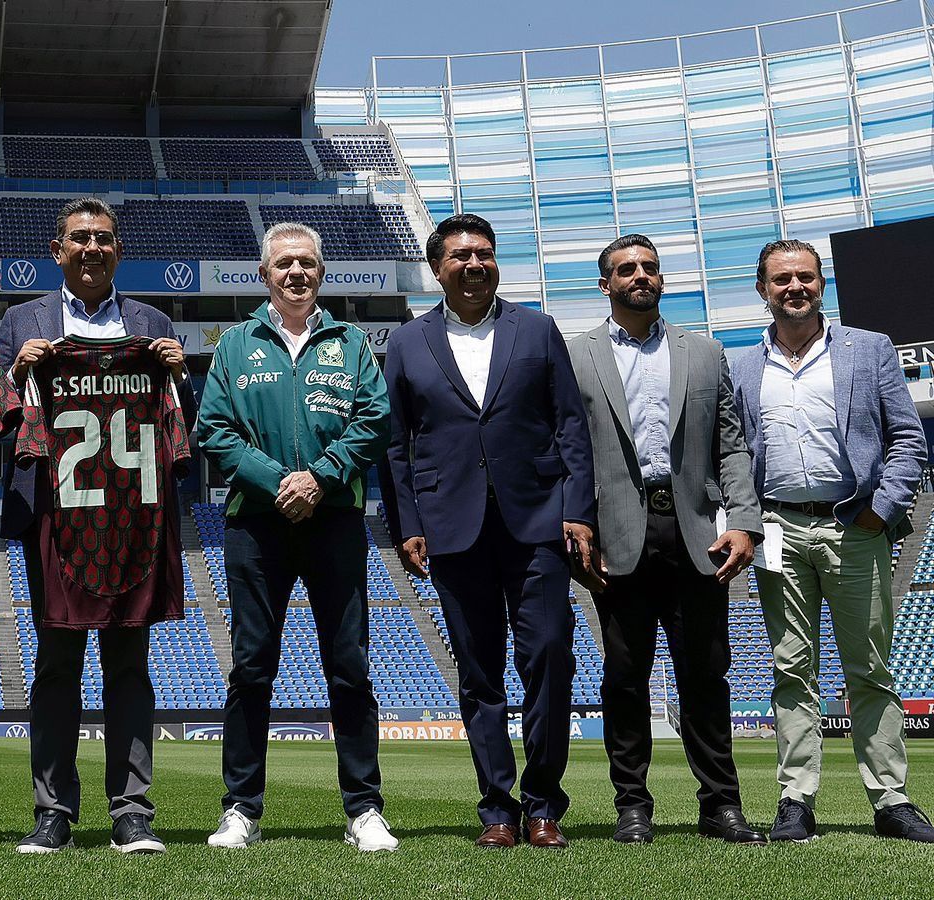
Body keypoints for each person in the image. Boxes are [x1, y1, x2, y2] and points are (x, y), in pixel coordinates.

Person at [383, 213, 597, 849]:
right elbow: (397, 445)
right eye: (459, 257)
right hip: (452, 526)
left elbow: (570, 426)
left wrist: (577, 508)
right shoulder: (406, 342)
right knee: (479, 673)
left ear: (496, 260)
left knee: (551, 655)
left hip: (537, 523)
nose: (473, 265)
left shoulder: (536, 328)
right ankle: (499, 808)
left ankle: (543, 804)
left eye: (484, 254)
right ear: (437, 268)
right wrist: (408, 524)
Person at [0, 197, 191, 855]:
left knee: (129, 663)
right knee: (56, 664)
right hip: (55, 515)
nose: (92, 248)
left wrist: (177, 374)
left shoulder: (151, 322)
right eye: (80, 238)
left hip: (133, 517)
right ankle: (53, 810)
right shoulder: (21, 320)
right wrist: (17, 372)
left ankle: (131, 812)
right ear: (58, 250)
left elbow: (174, 422)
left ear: (117, 250)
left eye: (104, 239)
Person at [195, 222, 396, 852]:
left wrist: (322, 478)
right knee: (253, 667)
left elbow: (375, 419)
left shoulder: (352, 342)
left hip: (335, 517)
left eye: (307, 263)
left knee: (349, 666)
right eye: (284, 264)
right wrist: (282, 482)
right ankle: (240, 808)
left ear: (321, 273)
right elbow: (214, 430)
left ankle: (364, 808)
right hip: (256, 522)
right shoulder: (234, 344)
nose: (296, 273)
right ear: (265, 275)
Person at [731, 238, 933, 843]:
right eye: (782, 279)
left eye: (806, 278)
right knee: (791, 667)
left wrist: (882, 509)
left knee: (869, 668)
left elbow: (907, 437)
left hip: (854, 526)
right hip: (777, 527)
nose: (795, 288)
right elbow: (736, 453)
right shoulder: (740, 365)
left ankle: (891, 799)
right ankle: (796, 799)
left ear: (822, 285)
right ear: (763, 290)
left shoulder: (866, 349)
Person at [568, 234, 765, 845]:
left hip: (696, 532)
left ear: (662, 278)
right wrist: (572, 524)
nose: (640, 276)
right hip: (616, 534)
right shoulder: (576, 357)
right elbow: (564, 451)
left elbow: (729, 445)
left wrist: (744, 520)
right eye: (626, 269)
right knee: (624, 677)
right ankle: (632, 805)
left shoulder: (705, 353)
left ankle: (721, 805)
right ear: (606, 284)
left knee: (706, 675)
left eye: (649, 268)